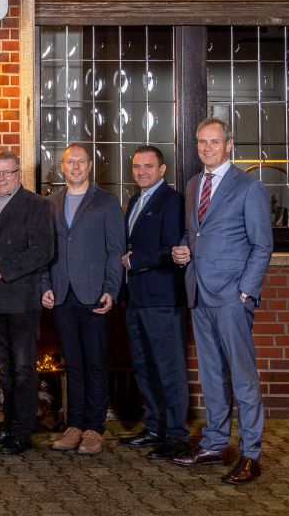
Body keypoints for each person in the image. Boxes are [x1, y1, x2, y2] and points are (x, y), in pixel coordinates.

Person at [171, 118, 273, 485]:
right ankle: (215, 443)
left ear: (229, 145)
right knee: (212, 373)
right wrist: (184, 250)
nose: (207, 148)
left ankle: (251, 454)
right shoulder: (194, 184)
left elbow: (262, 245)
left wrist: (245, 290)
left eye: (214, 142)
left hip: (232, 296)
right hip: (198, 291)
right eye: (202, 142)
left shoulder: (249, 188)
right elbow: (193, 232)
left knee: (242, 376)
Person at [42, 144, 124, 456]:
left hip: (94, 294)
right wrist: (44, 285)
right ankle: (74, 424)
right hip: (62, 294)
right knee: (73, 364)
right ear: (61, 167)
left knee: (95, 363)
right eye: (69, 162)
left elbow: (116, 251)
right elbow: (45, 251)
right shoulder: (50, 203)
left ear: (89, 165)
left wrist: (112, 289)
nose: (75, 167)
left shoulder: (105, 202)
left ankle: (94, 427)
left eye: (81, 162)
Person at [0, 150, 54, 456]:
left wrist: (4, 270)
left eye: (7, 173)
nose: (1, 178)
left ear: (18, 174)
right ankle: (9, 425)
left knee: (23, 369)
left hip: (21, 300)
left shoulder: (35, 205)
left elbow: (42, 251)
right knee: (5, 368)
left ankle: (22, 432)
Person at [120, 145, 189, 460]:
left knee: (169, 368)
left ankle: (176, 435)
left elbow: (175, 249)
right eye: (136, 166)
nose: (141, 172)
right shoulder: (136, 199)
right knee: (144, 366)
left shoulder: (172, 202)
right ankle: (155, 427)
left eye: (148, 166)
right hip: (136, 298)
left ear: (163, 170)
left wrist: (138, 261)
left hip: (162, 298)